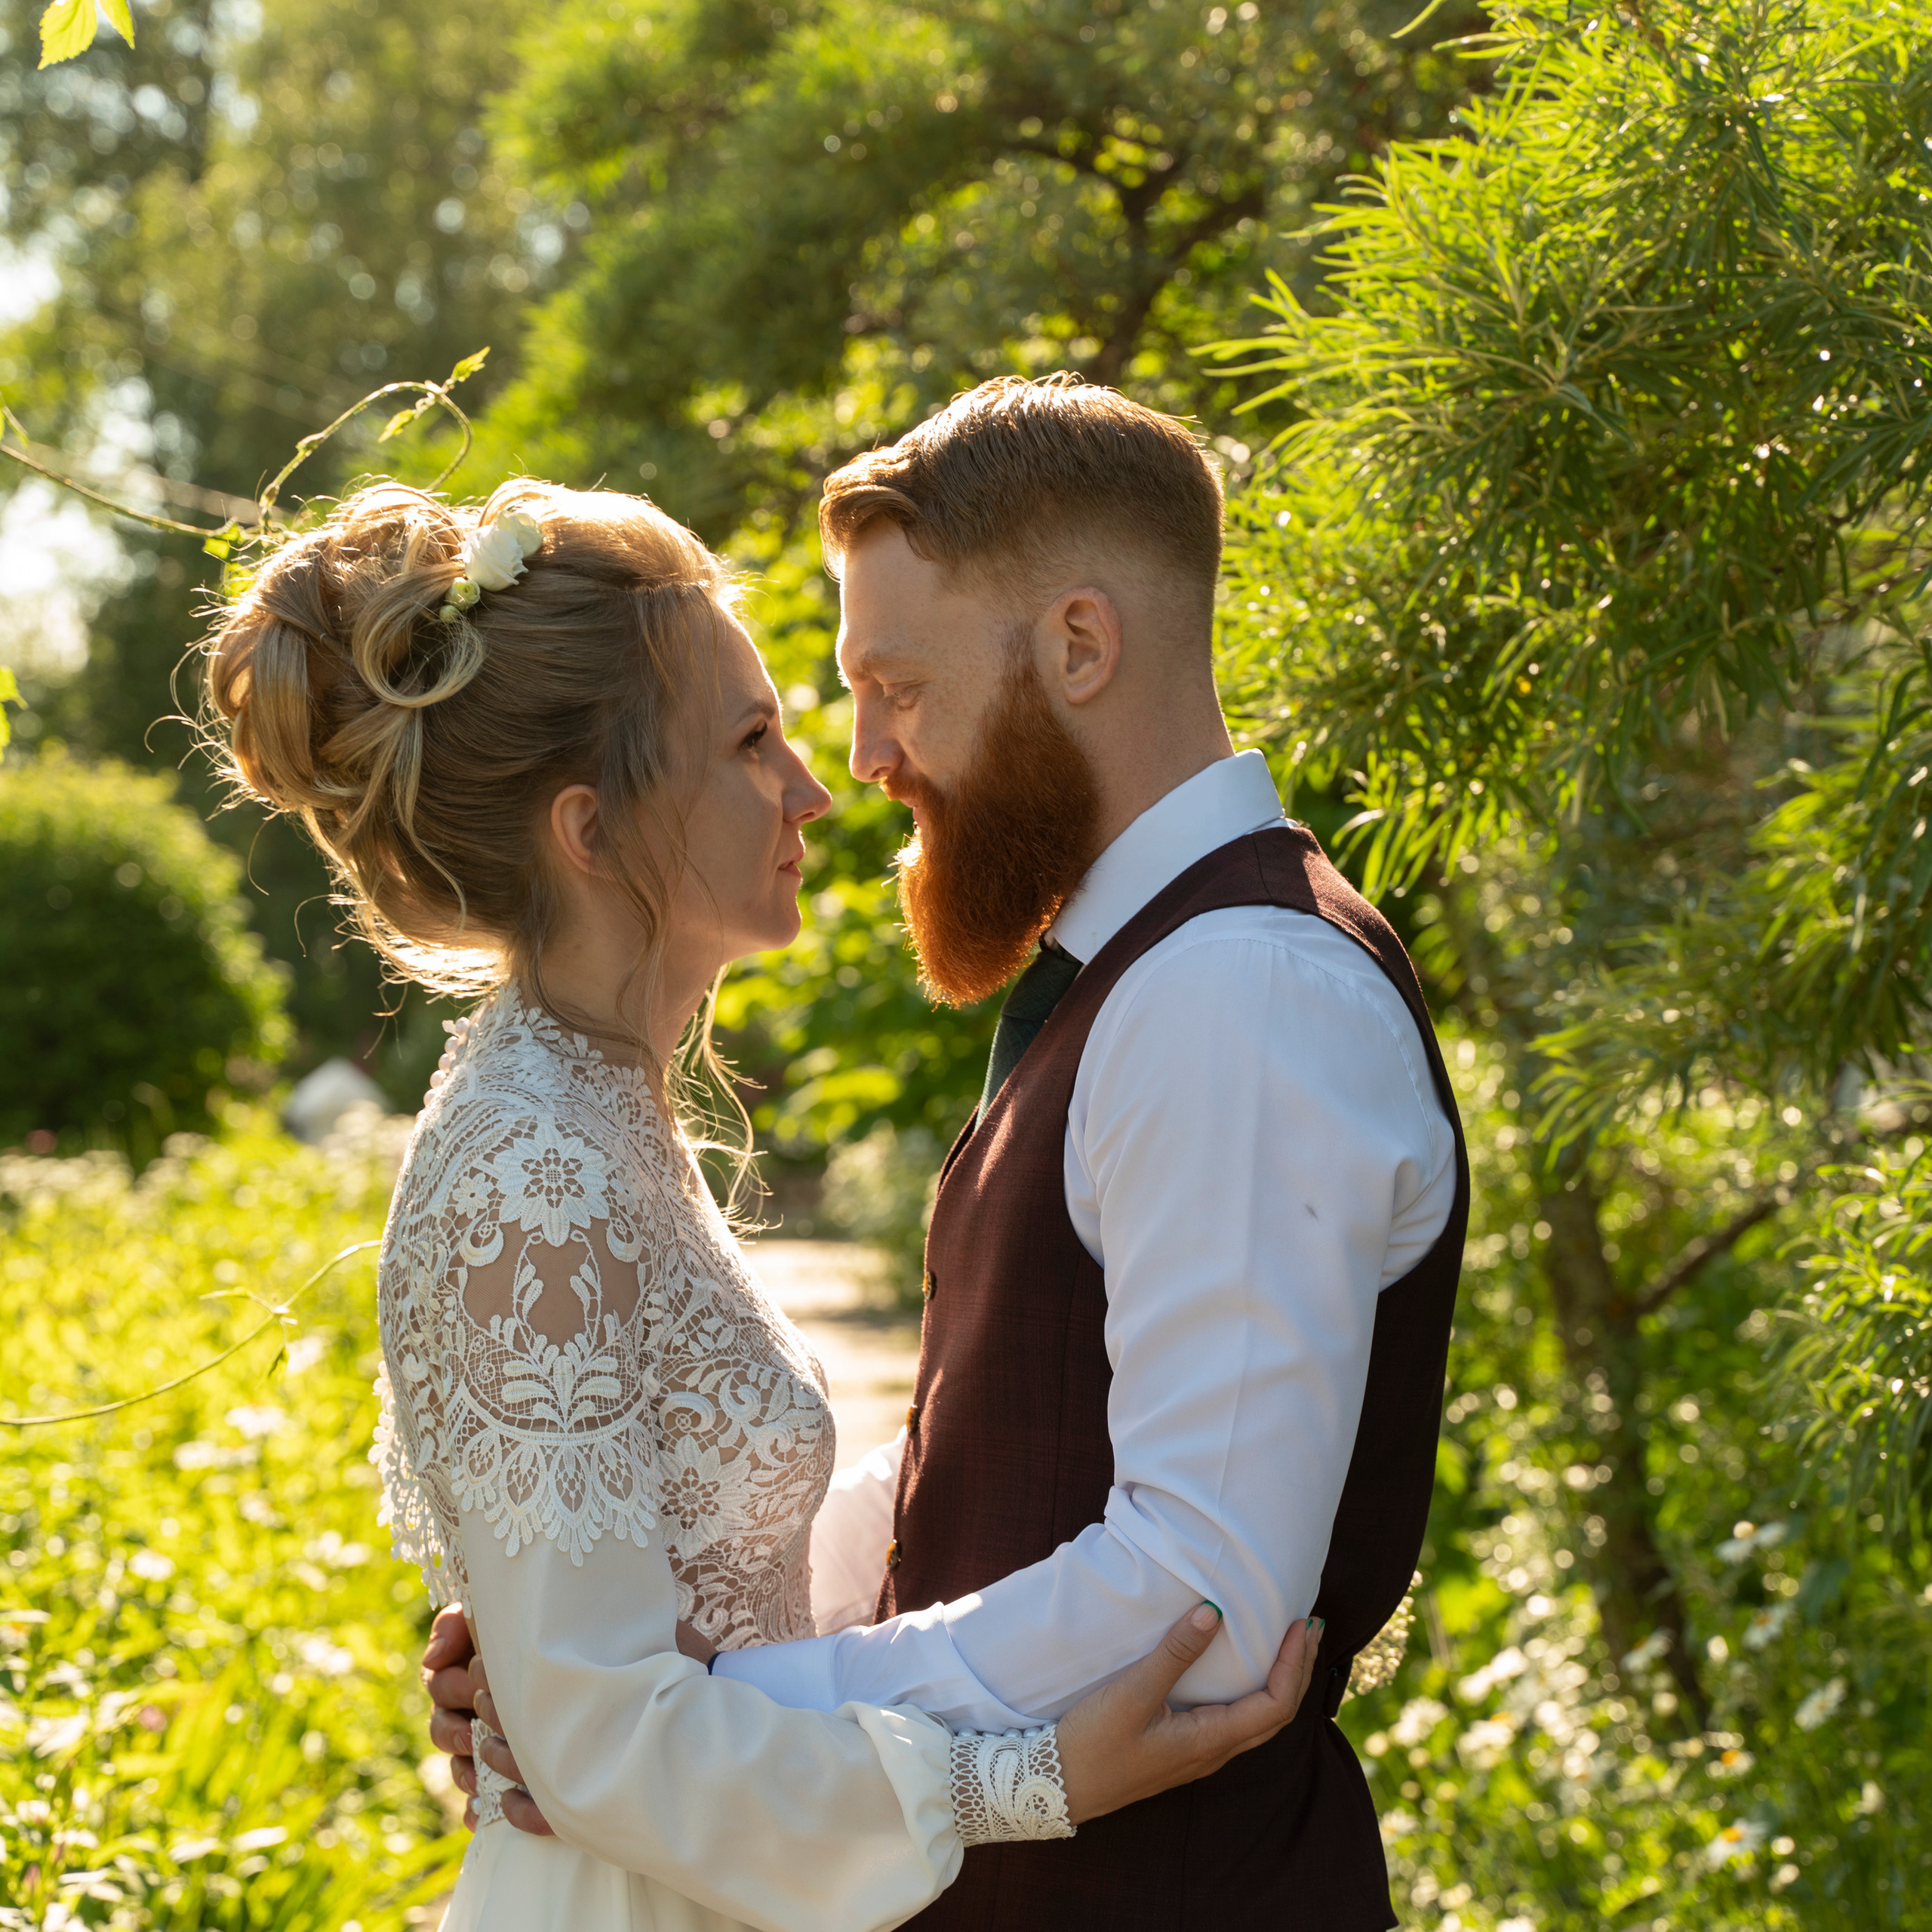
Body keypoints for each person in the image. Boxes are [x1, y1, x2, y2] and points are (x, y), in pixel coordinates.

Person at [202, 474, 1318, 1932]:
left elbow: (612, 1675)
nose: (811, 786)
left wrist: (553, 1677)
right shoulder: (533, 1169)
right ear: (591, 831)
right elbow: (604, 1743)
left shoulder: (596, 1110)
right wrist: (1023, 1780)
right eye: (748, 742)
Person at [429, 376, 1471, 1927]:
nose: (860, 759)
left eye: (896, 686)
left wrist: (693, 1712)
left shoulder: (1235, 992)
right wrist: (617, 1664)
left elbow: (1198, 1604)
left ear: (1076, 645)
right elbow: (1006, 1454)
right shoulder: (1140, 978)